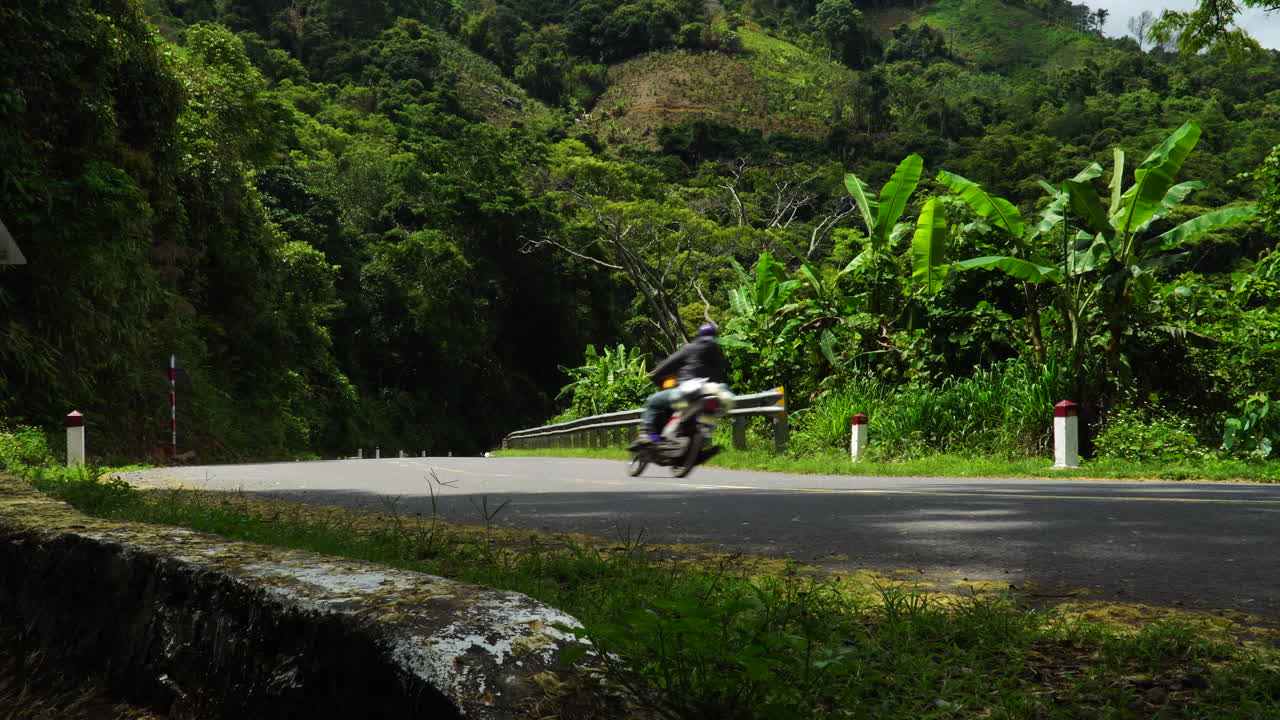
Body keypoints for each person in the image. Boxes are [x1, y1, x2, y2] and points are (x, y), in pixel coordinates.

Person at [636, 323, 728, 445]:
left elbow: (667, 365)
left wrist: (655, 376)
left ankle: (648, 434)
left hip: (688, 391)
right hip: (710, 393)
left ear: (699, 336)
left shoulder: (691, 348)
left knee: (653, 401)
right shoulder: (719, 353)